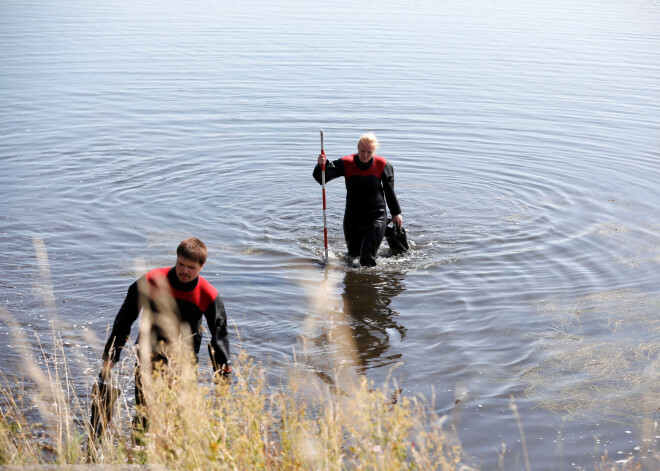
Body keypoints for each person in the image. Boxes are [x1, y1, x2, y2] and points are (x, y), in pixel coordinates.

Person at [100, 237, 231, 430]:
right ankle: (140, 453)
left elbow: (219, 339)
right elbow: (124, 320)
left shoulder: (208, 294)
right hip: (147, 357)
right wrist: (110, 358)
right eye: (181, 264)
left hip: (184, 363)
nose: (184, 271)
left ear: (202, 266)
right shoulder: (152, 281)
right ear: (176, 259)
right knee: (144, 415)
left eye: (191, 267)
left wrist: (223, 378)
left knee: (178, 421)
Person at [313, 132, 403, 266]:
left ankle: (370, 284)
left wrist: (396, 213)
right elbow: (321, 178)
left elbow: (389, 191)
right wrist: (321, 165)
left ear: (374, 151)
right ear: (357, 148)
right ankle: (356, 285)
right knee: (352, 259)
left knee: (366, 258)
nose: (365, 155)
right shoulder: (346, 162)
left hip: (376, 216)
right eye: (362, 151)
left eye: (369, 152)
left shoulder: (383, 164)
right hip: (352, 218)